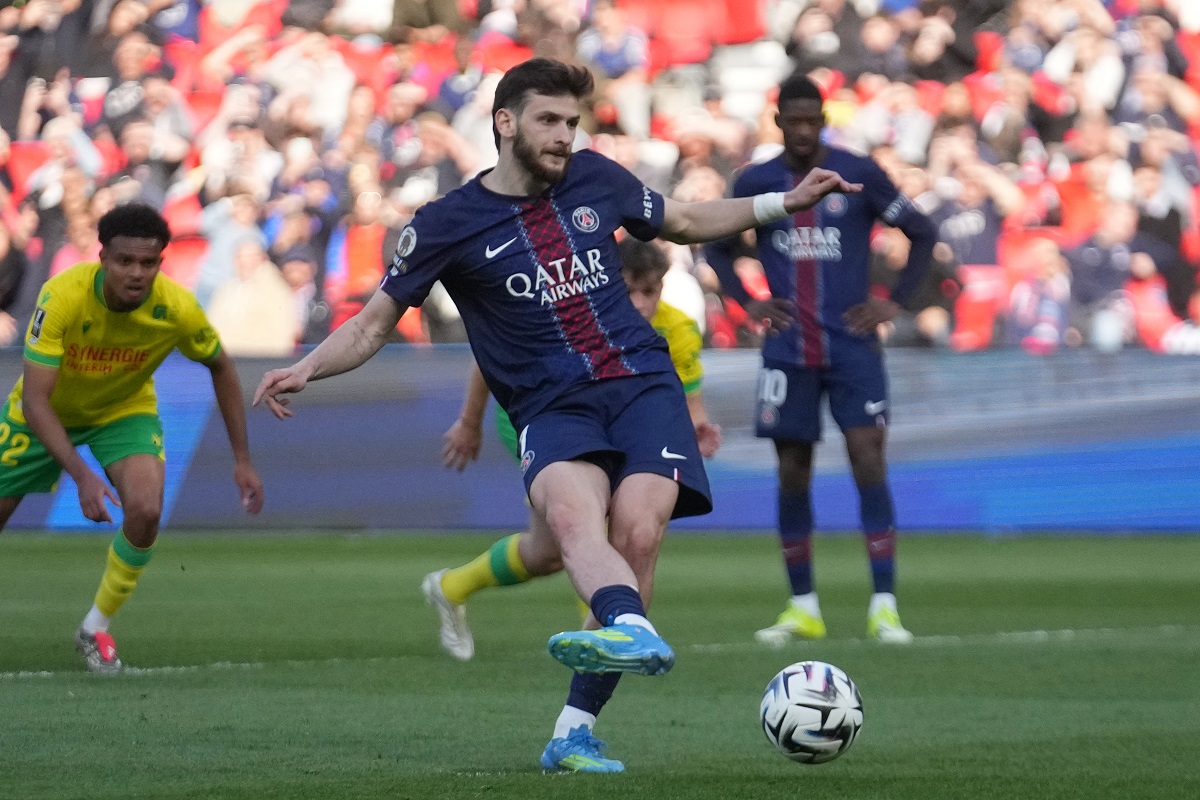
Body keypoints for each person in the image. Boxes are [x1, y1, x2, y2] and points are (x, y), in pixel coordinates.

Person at [254, 58, 856, 773]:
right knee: (572, 521)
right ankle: (630, 630)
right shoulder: (446, 224)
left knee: (636, 531)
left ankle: (574, 729)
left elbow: (687, 219)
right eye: (549, 120)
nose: (565, 135)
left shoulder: (598, 178)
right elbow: (373, 324)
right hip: (547, 402)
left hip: (639, 380)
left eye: (572, 121)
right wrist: (306, 368)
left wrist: (781, 204)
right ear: (505, 123)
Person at [705, 74, 936, 646]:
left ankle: (884, 605)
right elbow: (717, 243)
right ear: (779, 121)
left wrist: (894, 303)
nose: (805, 130)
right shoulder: (756, 182)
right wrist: (749, 303)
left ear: (823, 121)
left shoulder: (859, 173)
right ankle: (802, 604)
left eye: (814, 120)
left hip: (853, 347)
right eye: (795, 120)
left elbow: (923, 232)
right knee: (791, 471)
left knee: (868, 460)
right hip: (789, 349)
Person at [428, 235, 723, 662]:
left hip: (618, 420)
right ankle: (607, 642)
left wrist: (698, 427)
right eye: (629, 291)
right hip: (537, 416)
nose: (641, 304)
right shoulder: (568, 313)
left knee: (548, 553)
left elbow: (688, 396)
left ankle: (451, 586)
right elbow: (490, 357)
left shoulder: (678, 328)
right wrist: (470, 421)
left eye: (651, 290)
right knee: (591, 521)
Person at [0, 203, 265, 674]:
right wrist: (81, 475)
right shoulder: (62, 295)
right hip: (42, 414)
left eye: (148, 263)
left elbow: (221, 366)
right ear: (102, 258)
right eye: (125, 261)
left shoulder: (176, 308)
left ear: (161, 263)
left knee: (145, 509)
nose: (137, 273)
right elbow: (38, 401)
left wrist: (242, 458)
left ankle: (95, 628)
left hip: (122, 410)